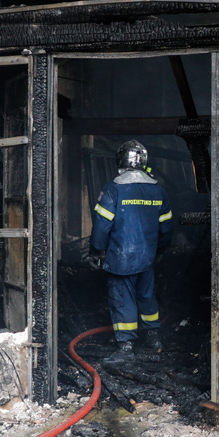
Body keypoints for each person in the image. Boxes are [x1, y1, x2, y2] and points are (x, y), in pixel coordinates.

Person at [87, 140, 174, 360]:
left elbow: (101, 226)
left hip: (120, 259)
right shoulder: (158, 190)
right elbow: (166, 226)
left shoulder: (113, 189)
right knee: (146, 296)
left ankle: (126, 345)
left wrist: (96, 251)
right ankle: (153, 337)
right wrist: (160, 250)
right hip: (147, 258)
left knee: (123, 299)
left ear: (120, 160)